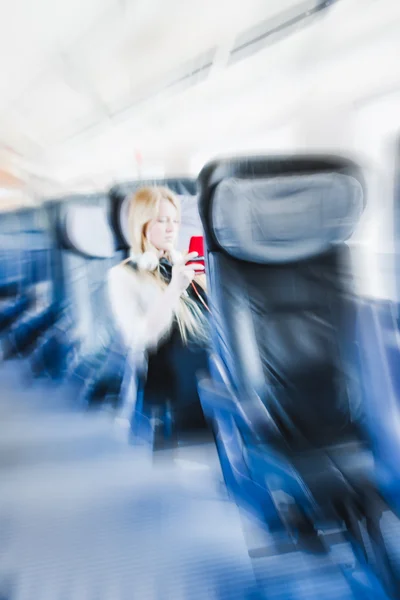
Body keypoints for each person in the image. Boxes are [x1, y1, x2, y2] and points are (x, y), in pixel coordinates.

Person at [108, 186, 210, 442]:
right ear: (141, 224)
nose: (171, 228)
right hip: (170, 376)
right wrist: (175, 288)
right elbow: (140, 338)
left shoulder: (187, 264)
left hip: (210, 363)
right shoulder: (124, 275)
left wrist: (203, 281)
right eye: (162, 220)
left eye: (175, 221)